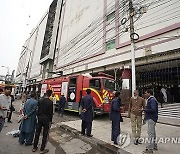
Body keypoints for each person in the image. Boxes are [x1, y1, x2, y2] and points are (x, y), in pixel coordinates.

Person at [141, 89, 158, 154]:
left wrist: (144, 110)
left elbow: (153, 109)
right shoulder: (151, 99)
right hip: (152, 118)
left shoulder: (152, 100)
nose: (145, 95)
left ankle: (150, 149)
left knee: (150, 133)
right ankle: (154, 146)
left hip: (152, 118)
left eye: (146, 93)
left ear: (149, 93)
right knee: (153, 133)